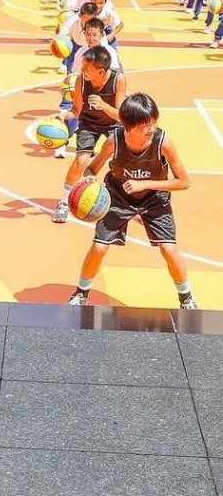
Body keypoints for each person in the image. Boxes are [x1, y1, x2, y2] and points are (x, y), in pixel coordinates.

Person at [68, 93, 194, 309]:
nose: (151, 127)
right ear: (129, 126)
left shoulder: (163, 142)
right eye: (146, 124)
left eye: (154, 121)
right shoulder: (114, 141)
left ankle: (187, 298)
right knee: (99, 248)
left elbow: (183, 182)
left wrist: (145, 184)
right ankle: (81, 292)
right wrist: (89, 178)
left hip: (154, 197)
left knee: (169, 249)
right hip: (118, 196)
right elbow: (92, 168)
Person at [52, 46, 126, 224]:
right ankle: (63, 203)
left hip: (113, 123)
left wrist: (103, 106)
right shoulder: (81, 81)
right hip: (89, 123)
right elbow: (77, 110)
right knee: (81, 161)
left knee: (123, 163)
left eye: (86, 68)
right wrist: (62, 116)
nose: (82, 70)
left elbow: (122, 115)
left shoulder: (118, 79)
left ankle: (128, 204)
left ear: (101, 70)